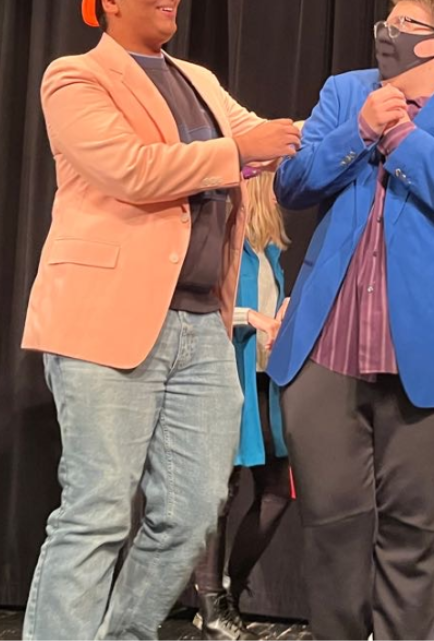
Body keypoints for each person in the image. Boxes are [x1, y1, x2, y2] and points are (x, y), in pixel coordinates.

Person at [21, 0, 300, 640]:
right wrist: (238, 149)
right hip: (104, 318)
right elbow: (132, 170)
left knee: (189, 509)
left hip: (199, 324)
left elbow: (262, 138)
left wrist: (348, 121)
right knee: (98, 509)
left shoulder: (198, 79)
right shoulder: (74, 76)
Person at [266, 0, 434, 640]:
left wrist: (403, 137)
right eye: (386, 20)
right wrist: (358, 130)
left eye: (405, 24)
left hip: (430, 352)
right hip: (326, 346)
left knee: (413, 538)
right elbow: (291, 184)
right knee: (331, 527)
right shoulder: (346, 90)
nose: (386, 31)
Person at [192, 171, 292, 641]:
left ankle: (227, 587)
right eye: (277, 187)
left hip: (264, 381)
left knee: (277, 488)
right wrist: (249, 317)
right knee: (222, 490)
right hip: (227, 378)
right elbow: (207, 306)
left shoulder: (270, 255)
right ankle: (211, 606)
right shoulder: (230, 249)